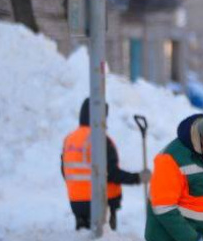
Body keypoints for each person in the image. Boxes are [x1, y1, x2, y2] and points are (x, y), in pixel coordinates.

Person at [60, 98, 149, 231]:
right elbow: (111, 173)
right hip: (102, 202)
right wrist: (138, 178)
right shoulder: (100, 139)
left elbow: (64, 171)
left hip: (77, 203)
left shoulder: (70, 139)